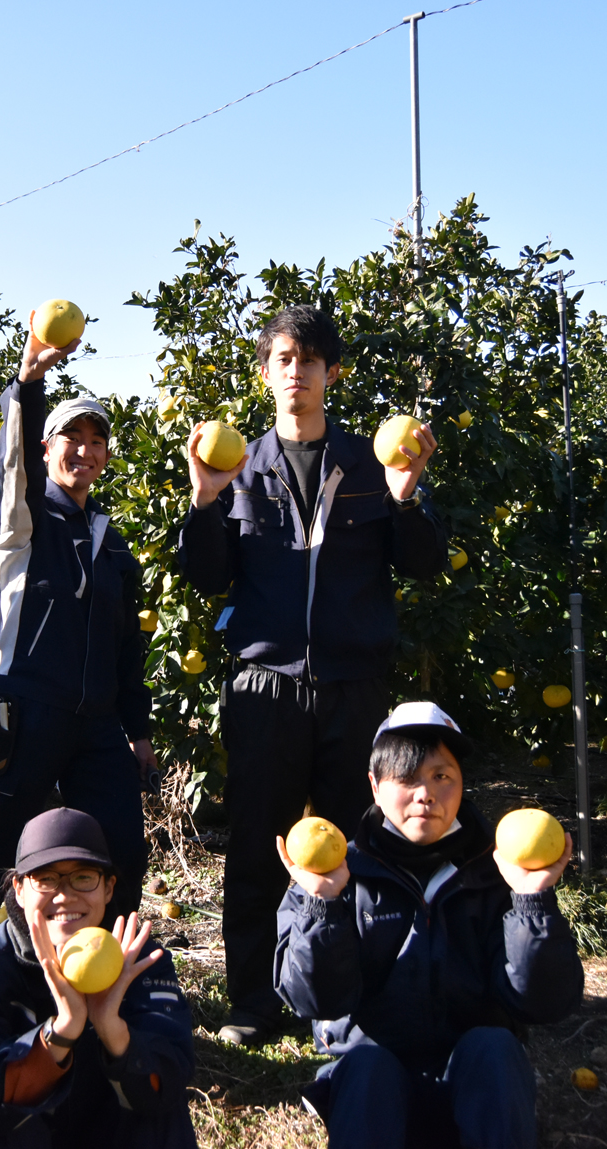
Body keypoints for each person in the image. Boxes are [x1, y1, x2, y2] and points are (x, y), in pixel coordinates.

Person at [179, 304, 448, 1045]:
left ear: (332, 372)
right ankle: (252, 1002)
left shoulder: (371, 464)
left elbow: (424, 564)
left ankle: (342, 996)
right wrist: (204, 496)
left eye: (310, 358)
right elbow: (205, 576)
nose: (296, 370)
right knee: (257, 843)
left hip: (353, 685)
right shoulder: (239, 466)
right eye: (283, 358)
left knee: (353, 845)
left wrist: (407, 496)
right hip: (264, 685)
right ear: (266, 373)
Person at [0, 326, 155, 980]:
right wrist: (29, 385)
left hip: (96, 724)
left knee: (120, 846)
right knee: (0, 841)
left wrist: (137, 734)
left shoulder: (114, 547)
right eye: (71, 438)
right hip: (26, 706)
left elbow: (127, 653)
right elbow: (14, 471)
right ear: (46, 447)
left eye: (96, 440)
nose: (85, 450)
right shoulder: (22, 523)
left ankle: (106, 969)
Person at [273, 702, 584, 1149]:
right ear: (375, 787)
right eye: (407, 777)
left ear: (461, 786)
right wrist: (322, 906)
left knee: (495, 1050)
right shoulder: (332, 872)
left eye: (442, 776)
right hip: (377, 1085)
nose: (426, 793)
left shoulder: (497, 872)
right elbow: (312, 999)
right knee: (366, 1066)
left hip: (472, 1078)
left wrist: (531, 902)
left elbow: (544, 1004)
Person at [0, 807, 197, 1148]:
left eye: (83, 877)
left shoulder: (138, 961)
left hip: (109, 1128)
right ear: (19, 889)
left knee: (161, 1111)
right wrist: (60, 1033)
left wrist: (114, 1031)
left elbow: (171, 1081)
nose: (64, 895)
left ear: (108, 888)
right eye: (45, 879)